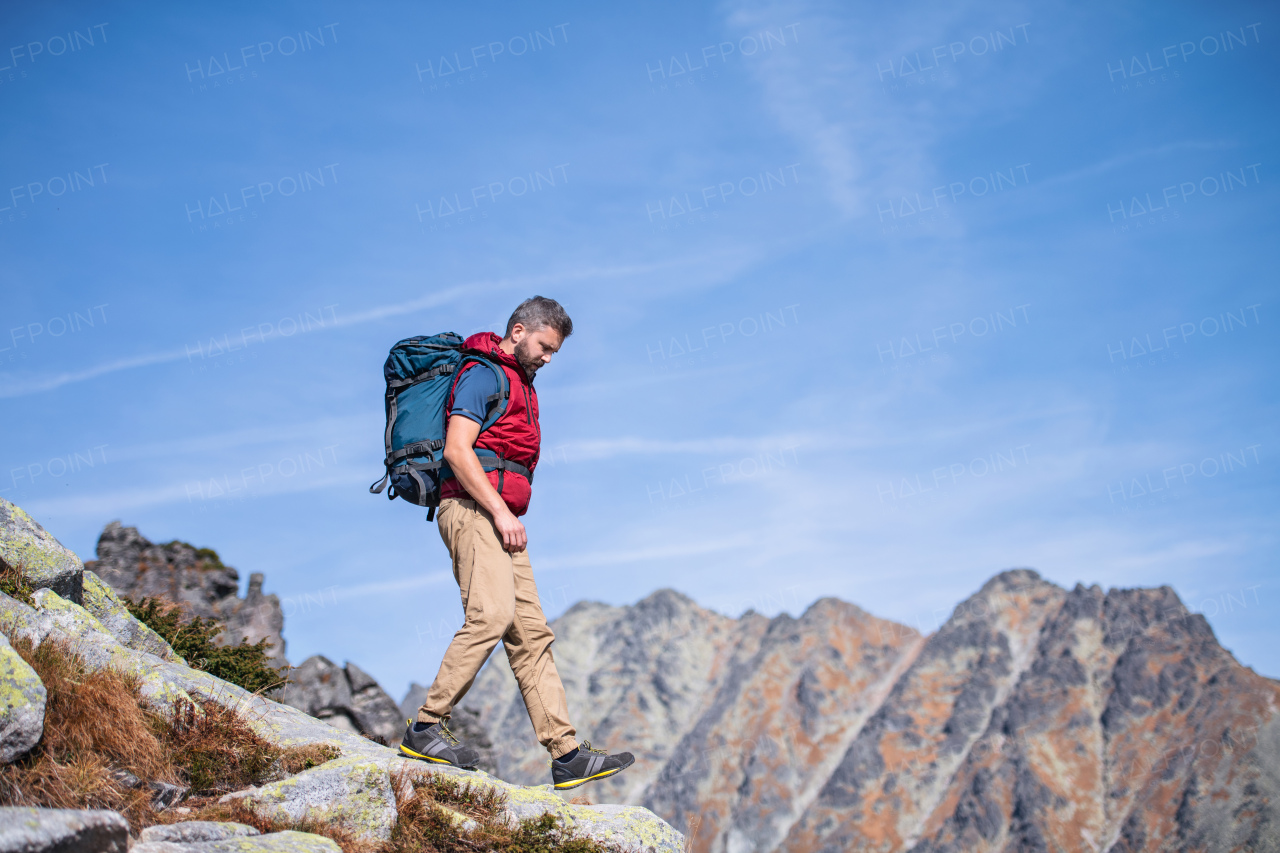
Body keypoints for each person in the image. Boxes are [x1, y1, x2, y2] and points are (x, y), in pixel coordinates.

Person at [399, 296, 634, 790]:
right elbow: (459, 451)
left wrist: (507, 514)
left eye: (555, 352)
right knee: (491, 616)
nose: (549, 358)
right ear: (520, 330)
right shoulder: (483, 374)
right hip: (471, 509)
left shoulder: (522, 385)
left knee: (531, 635)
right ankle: (425, 726)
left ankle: (566, 754)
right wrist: (501, 511)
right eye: (545, 347)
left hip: (503, 521)